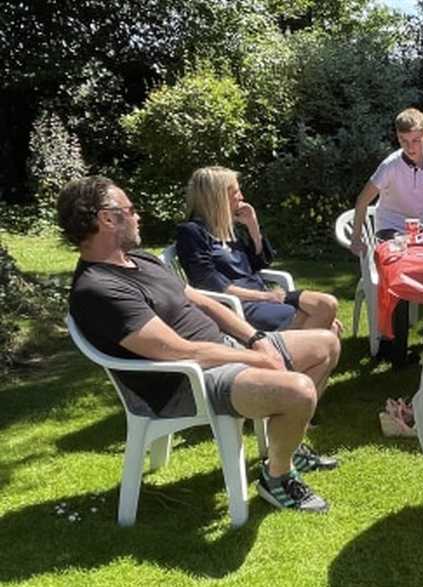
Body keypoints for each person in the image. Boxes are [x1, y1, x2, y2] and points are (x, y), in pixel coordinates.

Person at [59, 176, 341, 513]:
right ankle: (277, 478)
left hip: (222, 353)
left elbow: (204, 301)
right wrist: (255, 359)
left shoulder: (141, 259)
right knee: (299, 391)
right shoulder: (98, 289)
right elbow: (177, 350)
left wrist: (255, 339)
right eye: (130, 210)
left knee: (327, 344)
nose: (138, 217)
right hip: (185, 381)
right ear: (106, 218)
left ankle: (286, 448)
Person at [175, 166, 340, 333]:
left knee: (327, 304)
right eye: (236, 193)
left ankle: (291, 355)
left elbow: (259, 262)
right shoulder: (191, 233)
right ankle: (286, 355)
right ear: (218, 198)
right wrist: (265, 296)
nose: (242, 197)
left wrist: (252, 225)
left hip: (262, 295)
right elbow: (210, 284)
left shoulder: (228, 228)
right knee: (325, 323)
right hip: (237, 305)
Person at [348, 108, 423, 363]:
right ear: (397, 138)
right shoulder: (390, 166)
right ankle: (396, 349)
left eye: (415, 140)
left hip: (420, 232)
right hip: (390, 228)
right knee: (401, 275)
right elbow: (362, 201)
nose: (410, 147)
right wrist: (356, 238)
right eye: (404, 141)